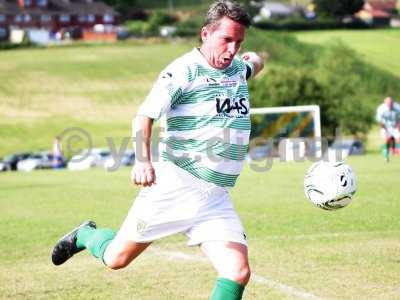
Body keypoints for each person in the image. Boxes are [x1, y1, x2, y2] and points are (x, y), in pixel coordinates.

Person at [51, 1, 264, 299]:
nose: (232, 49)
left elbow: (252, 65)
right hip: (175, 186)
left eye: (239, 42)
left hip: (215, 198)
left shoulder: (237, 69)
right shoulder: (182, 72)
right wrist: (143, 161)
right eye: (226, 40)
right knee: (116, 259)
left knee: (237, 271)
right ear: (205, 34)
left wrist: (253, 59)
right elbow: (144, 115)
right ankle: (85, 234)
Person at [376, 96, 400, 161]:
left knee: (398, 139)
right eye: (388, 103)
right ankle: (386, 155)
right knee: (387, 140)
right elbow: (380, 121)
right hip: (385, 126)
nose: (390, 104)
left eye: (391, 103)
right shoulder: (381, 109)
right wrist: (385, 130)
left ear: (393, 102)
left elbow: (399, 118)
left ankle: (397, 151)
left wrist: (398, 127)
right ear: (385, 103)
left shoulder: (397, 107)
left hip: (395, 126)